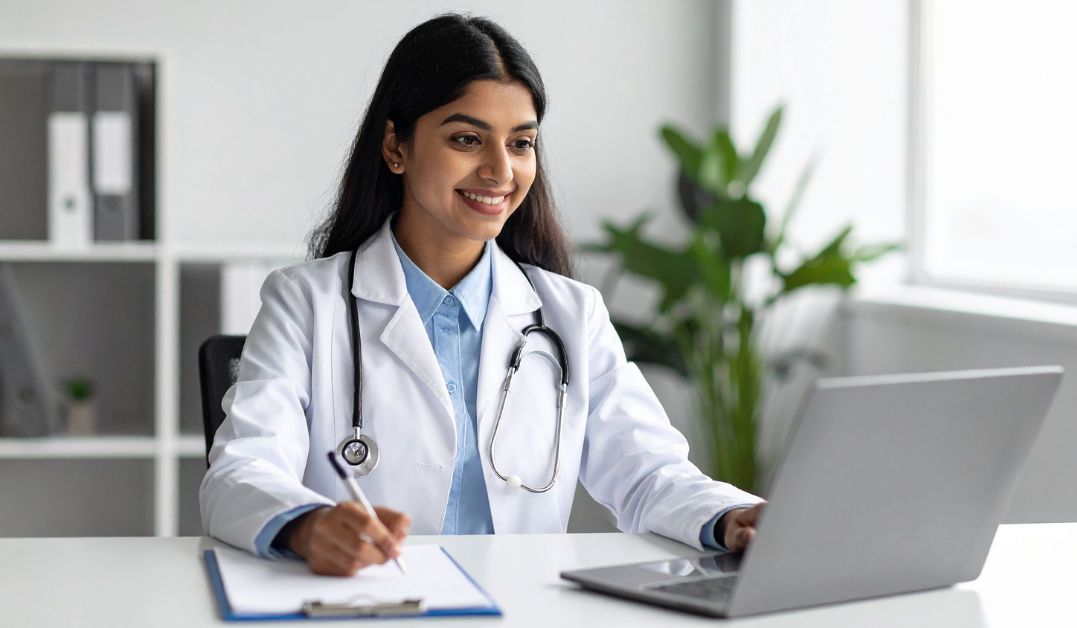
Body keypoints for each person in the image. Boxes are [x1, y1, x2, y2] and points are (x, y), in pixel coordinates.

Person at [200, 13, 764, 577]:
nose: (500, 170)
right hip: (371, 602)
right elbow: (239, 472)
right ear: (396, 146)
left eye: (521, 143)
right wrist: (308, 525)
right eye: (467, 139)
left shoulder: (571, 315)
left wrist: (732, 515)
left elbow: (648, 474)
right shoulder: (306, 303)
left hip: (521, 606)